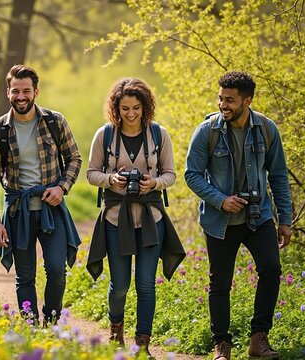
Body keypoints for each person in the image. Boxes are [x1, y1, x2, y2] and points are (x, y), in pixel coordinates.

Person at [184, 71, 292, 360]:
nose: (223, 105)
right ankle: (222, 345)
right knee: (220, 282)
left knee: (271, 268)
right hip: (220, 221)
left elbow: (279, 176)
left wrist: (285, 219)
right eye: (220, 98)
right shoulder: (207, 131)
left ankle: (259, 340)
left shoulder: (267, 129)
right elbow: (191, 175)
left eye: (230, 100)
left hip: (259, 217)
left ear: (247, 100)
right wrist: (221, 200)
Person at [85, 77, 185, 354]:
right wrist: (110, 180)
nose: (130, 114)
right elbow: (91, 173)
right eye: (125, 108)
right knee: (119, 286)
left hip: (151, 220)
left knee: (145, 284)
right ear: (116, 108)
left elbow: (171, 174)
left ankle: (142, 346)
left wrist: (153, 183)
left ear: (145, 107)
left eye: (136, 108)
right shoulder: (104, 135)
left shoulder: (159, 134)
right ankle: (115, 333)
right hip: (116, 220)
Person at [0, 64, 82, 325]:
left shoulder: (54, 121)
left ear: (36, 91)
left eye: (26, 90)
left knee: (56, 270)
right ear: (8, 93)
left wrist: (62, 187)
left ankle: (51, 320)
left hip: (52, 211)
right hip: (18, 212)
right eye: (16, 91)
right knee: (24, 275)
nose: (21, 96)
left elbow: (74, 158)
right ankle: (30, 324)